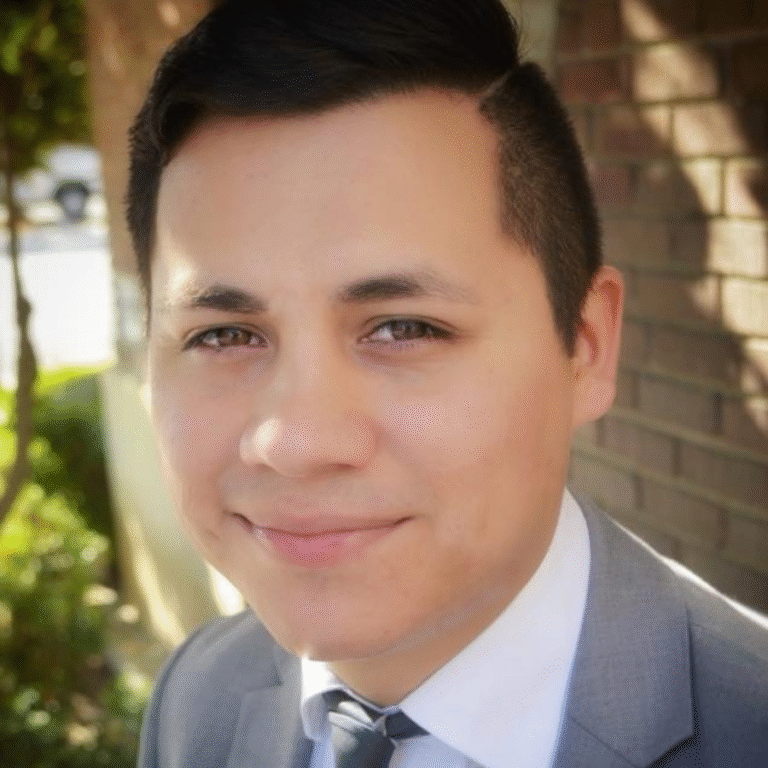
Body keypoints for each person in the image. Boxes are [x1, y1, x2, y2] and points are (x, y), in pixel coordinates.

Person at [127, 1, 768, 766]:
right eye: (223, 335)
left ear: (586, 347)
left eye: (405, 327)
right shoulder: (196, 693)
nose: (295, 442)